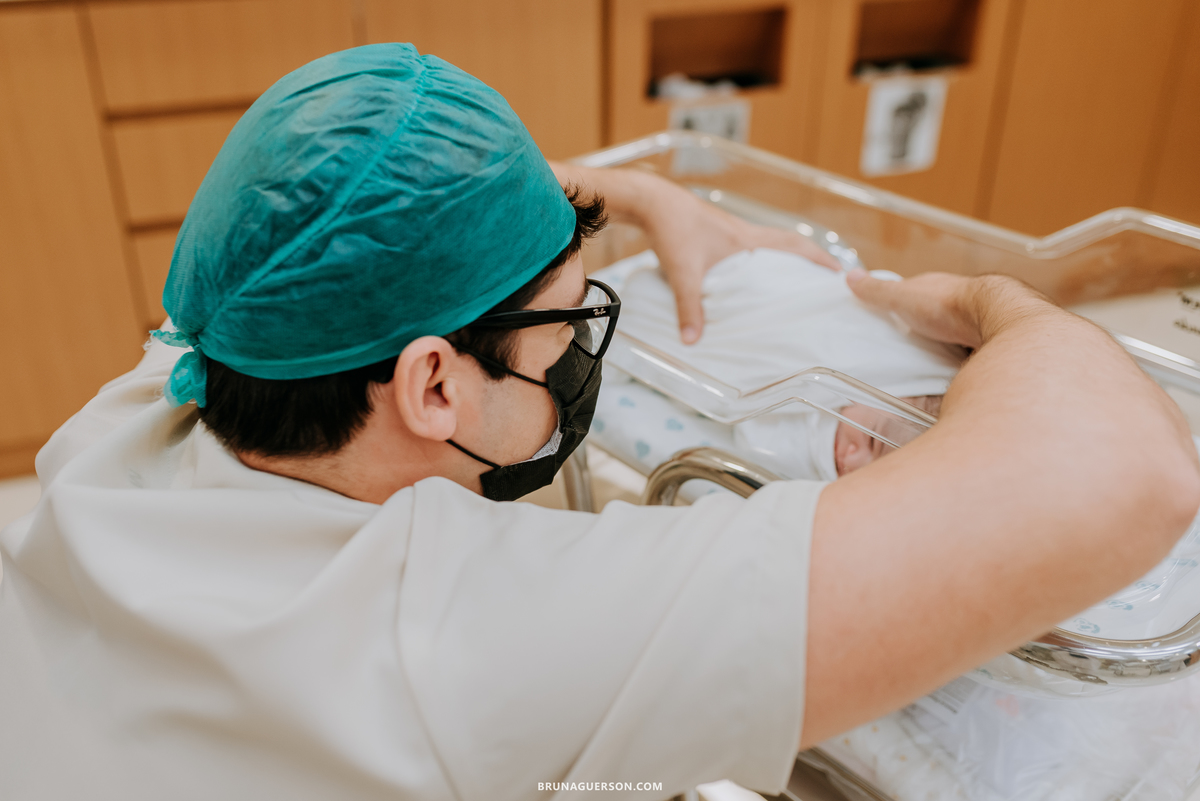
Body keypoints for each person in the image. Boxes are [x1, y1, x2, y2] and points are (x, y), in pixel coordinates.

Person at [1, 44, 1197, 801]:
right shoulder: (462, 639)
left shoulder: (160, 393)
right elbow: (1123, 472)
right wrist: (999, 307)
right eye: (566, 333)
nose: (580, 356)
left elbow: (352, 231)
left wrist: (626, 198)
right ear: (432, 389)